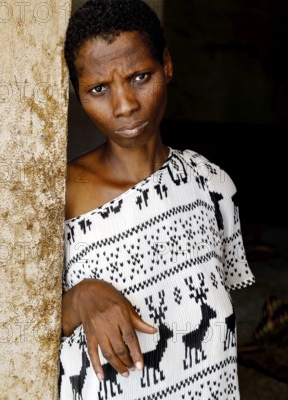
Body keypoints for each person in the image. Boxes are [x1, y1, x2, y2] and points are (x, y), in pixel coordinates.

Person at [59, 1, 255, 399]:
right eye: (99, 89)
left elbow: (216, 330)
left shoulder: (212, 186)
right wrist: (80, 298)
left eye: (140, 76)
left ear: (166, 64)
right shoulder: (61, 195)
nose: (125, 105)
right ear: (78, 94)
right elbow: (12, 329)